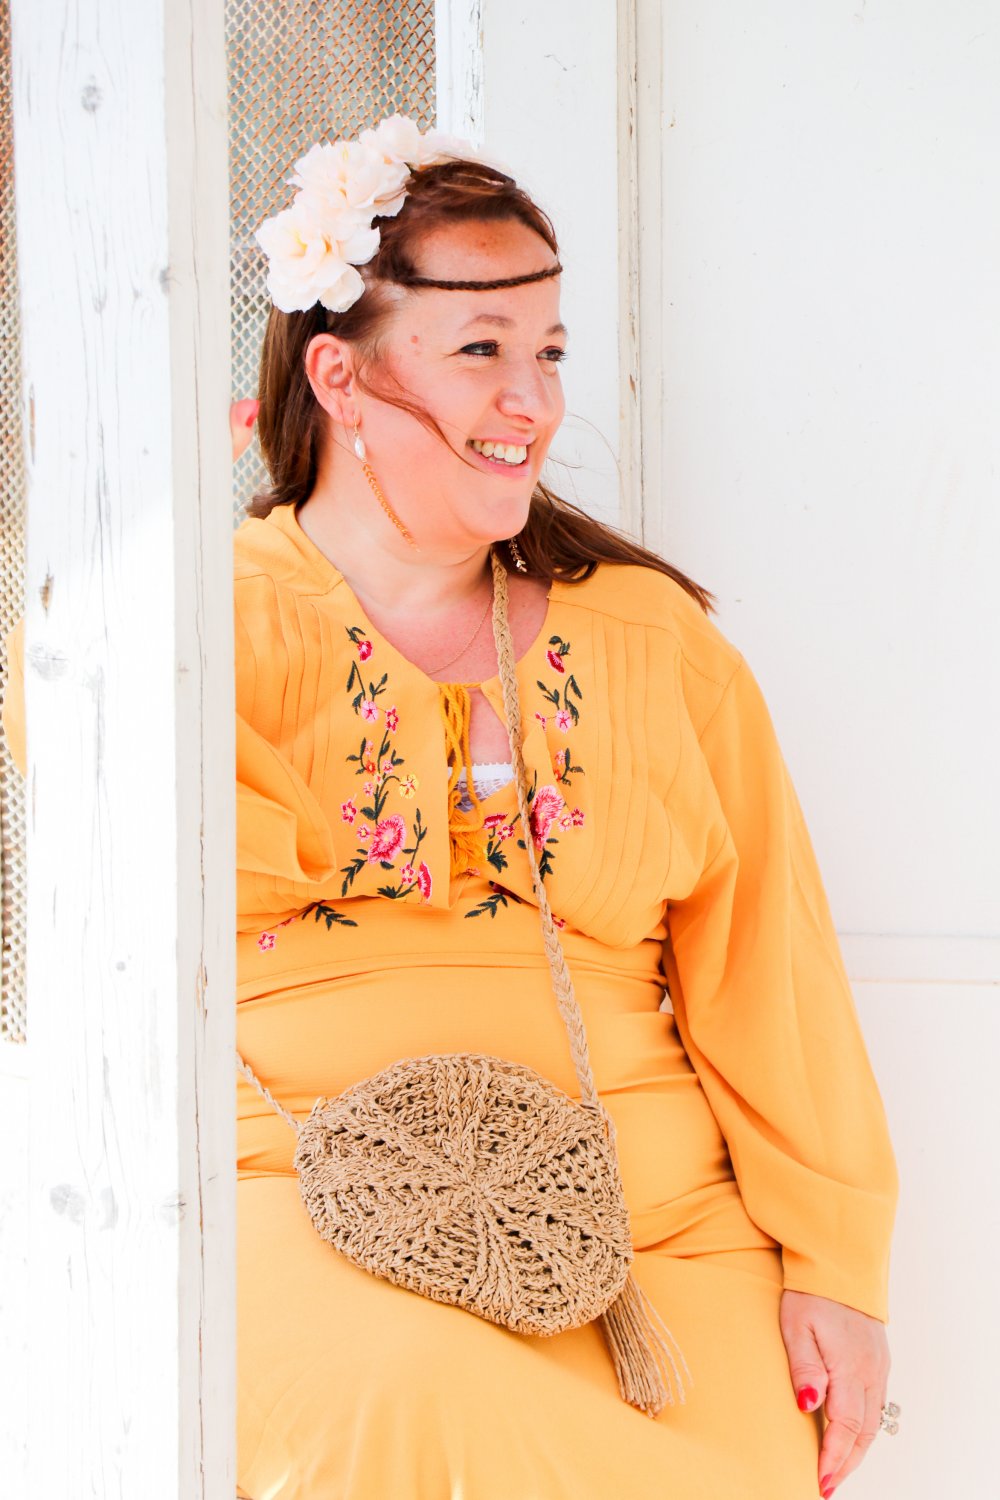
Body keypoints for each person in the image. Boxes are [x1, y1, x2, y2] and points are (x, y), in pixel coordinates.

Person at [2, 114, 899, 1499]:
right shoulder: (177, 632)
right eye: (481, 349)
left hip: (649, 1225)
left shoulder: (652, 641)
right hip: (298, 1201)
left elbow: (769, 972)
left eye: (550, 351)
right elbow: (66, 812)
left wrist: (838, 1266)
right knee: (414, 1416)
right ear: (340, 376)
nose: (532, 399)